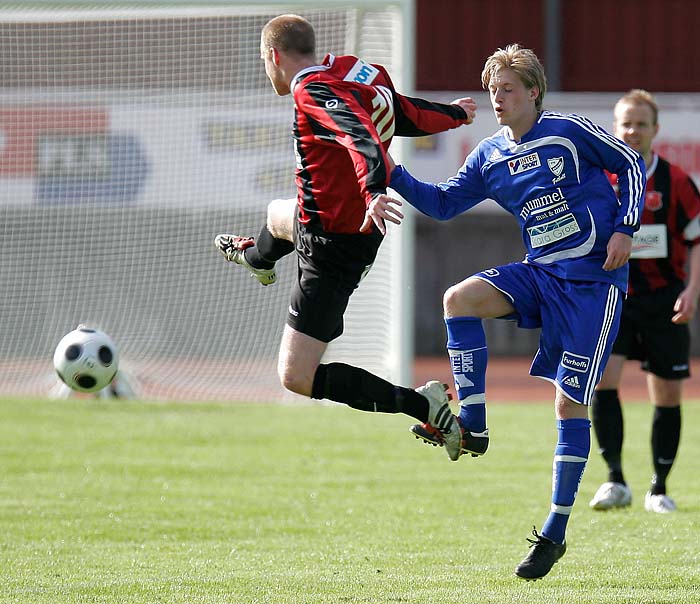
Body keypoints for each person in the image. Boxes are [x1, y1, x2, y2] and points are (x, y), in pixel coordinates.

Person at [372, 44, 646, 580]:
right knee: (458, 299)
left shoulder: (569, 131)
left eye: (508, 90)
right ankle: (473, 425)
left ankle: (555, 530)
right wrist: (390, 170)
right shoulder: (490, 155)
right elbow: (445, 203)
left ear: (534, 93)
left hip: (594, 283)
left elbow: (631, 163)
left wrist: (625, 228)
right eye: (493, 90)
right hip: (542, 275)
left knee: (569, 408)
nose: (497, 99)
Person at [214, 14, 478, 458]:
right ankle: (259, 259)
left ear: (273, 57)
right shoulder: (358, 71)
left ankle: (424, 404)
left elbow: (360, 133)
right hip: (324, 224)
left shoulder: (309, 89)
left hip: (332, 244)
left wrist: (373, 189)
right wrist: (453, 114)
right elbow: (401, 111)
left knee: (296, 377)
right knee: (279, 214)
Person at [588, 90, 700, 514]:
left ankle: (659, 488)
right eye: (625, 124)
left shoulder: (676, 181)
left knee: (668, 394)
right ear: (614, 129)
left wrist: (691, 291)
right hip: (612, 298)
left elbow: (695, 238)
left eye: (641, 123)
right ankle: (615, 480)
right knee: (603, 381)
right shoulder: (600, 179)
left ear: (656, 129)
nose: (632, 130)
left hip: (664, 301)